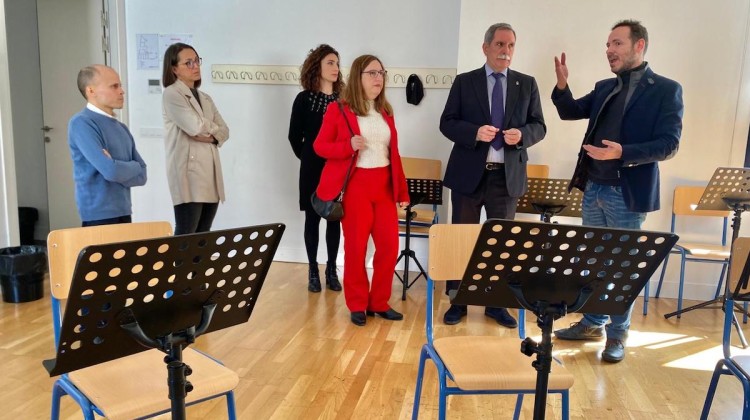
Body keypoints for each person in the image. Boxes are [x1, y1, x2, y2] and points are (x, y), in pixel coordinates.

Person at [551, 20, 683, 363]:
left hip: (626, 192)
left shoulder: (666, 90)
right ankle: (593, 322)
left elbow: (669, 145)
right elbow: (570, 112)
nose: (609, 50)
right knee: (593, 262)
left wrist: (623, 152)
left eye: (617, 44)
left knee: (621, 267)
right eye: (608, 44)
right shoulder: (605, 86)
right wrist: (563, 84)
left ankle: (618, 335)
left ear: (639, 46)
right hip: (593, 185)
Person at [440, 23, 546, 327]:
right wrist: (474, 132)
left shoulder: (526, 84)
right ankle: (458, 299)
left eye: (511, 45)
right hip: (467, 177)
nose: (506, 51)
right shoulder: (465, 82)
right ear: (486, 47)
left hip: (506, 177)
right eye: (500, 44)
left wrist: (521, 135)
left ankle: (496, 302)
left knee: (502, 244)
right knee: (462, 238)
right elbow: (447, 123)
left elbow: (539, 125)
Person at [314, 54, 410, 326]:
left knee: (389, 248)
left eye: (381, 73)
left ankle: (378, 302)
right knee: (356, 249)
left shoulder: (386, 112)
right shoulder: (339, 110)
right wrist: (348, 146)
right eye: (372, 73)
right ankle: (357, 303)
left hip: (384, 187)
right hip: (356, 188)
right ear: (358, 77)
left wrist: (402, 192)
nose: (378, 78)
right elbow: (320, 147)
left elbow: (395, 154)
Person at [288, 44, 344, 293]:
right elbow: (294, 136)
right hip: (311, 167)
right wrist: (310, 158)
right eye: (330, 63)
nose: (336, 68)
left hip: (337, 167)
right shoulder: (303, 99)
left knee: (334, 217)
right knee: (312, 218)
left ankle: (332, 270)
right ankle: (313, 270)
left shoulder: (344, 100)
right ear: (317, 66)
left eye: (337, 63)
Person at [162, 43, 229, 235]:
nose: (195, 66)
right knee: (187, 230)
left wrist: (212, 135)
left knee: (203, 232)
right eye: (188, 63)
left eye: (197, 61)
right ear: (174, 69)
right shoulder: (172, 94)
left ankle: (198, 266)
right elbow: (195, 127)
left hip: (210, 171)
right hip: (187, 172)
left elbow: (225, 131)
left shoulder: (204, 97)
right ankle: (180, 267)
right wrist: (212, 132)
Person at [68, 65, 147, 226]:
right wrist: (131, 167)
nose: (121, 91)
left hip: (123, 209)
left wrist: (119, 167)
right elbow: (110, 171)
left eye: (120, 85)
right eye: (114, 86)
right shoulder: (82, 123)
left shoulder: (121, 128)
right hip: (97, 214)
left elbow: (142, 174)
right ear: (91, 91)